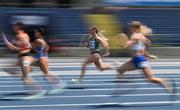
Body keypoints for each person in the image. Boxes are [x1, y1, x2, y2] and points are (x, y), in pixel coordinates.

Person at [116, 21, 176, 94]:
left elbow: (126, 45)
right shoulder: (141, 35)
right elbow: (147, 43)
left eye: (130, 27)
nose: (129, 29)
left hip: (140, 60)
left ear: (135, 28)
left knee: (151, 79)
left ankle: (165, 83)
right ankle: (124, 87)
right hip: (136, 60)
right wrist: (148, 54)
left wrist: (122, 43)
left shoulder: (135, 35)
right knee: (120, 70)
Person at [2, 22, 45, 99]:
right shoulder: (25, 35)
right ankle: (28, 70)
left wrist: (6, 42)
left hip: (25, 59)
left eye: (14, 26)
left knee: (25, 79)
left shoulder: (19, 36)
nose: (13, 28)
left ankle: (39, 91)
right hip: (24, 58)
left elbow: (15, 48)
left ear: (19, 27)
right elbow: (26, 46)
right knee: (9, 70)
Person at [32, 28, 65, 94]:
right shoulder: (43, 41)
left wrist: (27, 43)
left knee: (46, 74)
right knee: (46, 74)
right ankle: (59, 84)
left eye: (36, 32)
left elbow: (30, 46)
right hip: (44, 57)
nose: (34, 33)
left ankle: (59, 84)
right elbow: (46, 48)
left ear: (39, 33)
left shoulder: (38, 40)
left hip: (41, 59)